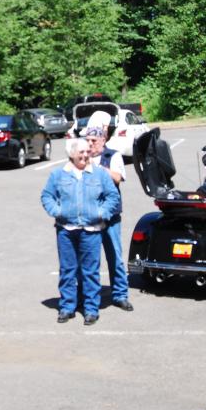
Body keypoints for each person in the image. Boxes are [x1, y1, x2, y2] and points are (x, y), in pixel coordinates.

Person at [41, 138, 120, 325]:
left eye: (87, 152)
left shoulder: (99, 174)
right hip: (66, 230)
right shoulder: (58, 174)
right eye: (81, 152)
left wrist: (102, 213)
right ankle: (67, 307)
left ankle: (91, 309)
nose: (85, 155)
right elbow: (47, 196)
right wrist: (57, 211)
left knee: (90, 272)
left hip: (91, 230)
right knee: (67, 270)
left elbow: (113, 196)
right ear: (72, 154)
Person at [85, 126, 133, 312]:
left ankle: (120, 295)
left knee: (115, 255)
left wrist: (98, 167)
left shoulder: (113, 156)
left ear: (103, 140)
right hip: (89, 216)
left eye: (93, 141)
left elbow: (118, 178)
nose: (90, 144)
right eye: (87, 140)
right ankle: (89, 296)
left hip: (110, 216)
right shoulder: (81, 157)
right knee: (89, 258)